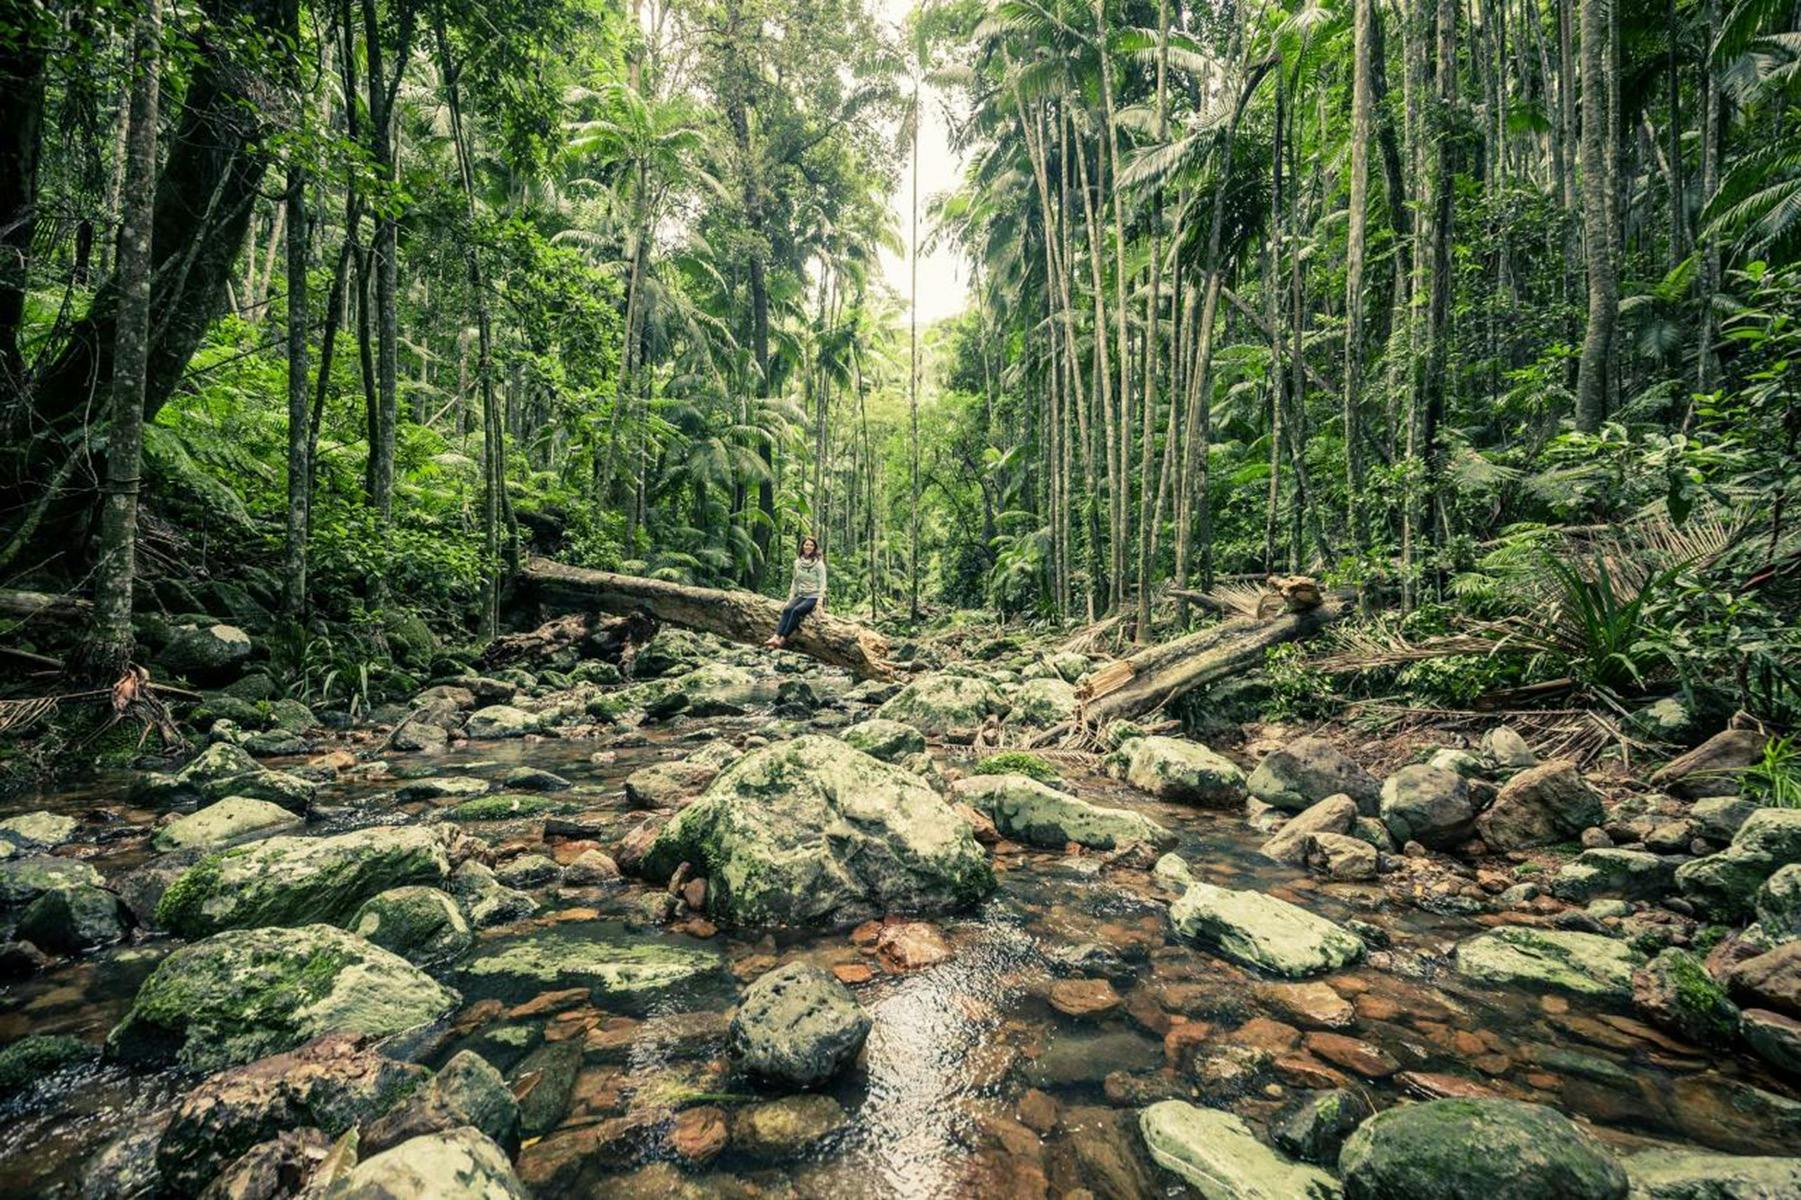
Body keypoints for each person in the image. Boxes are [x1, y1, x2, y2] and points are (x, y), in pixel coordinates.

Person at [766, 535, 825, 649]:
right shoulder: (798, 562)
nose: (808, 547)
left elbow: (823, 583)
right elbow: (795, 580)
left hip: (813, 596)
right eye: (806, 544)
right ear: (802, 546)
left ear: (815, 548)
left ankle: (782, 639)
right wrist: (790, 597)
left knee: (797, 611)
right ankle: (775, 636)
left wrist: (819, 602)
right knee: (788, 609)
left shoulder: (819, 564)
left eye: (811, 545)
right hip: (801, 595)